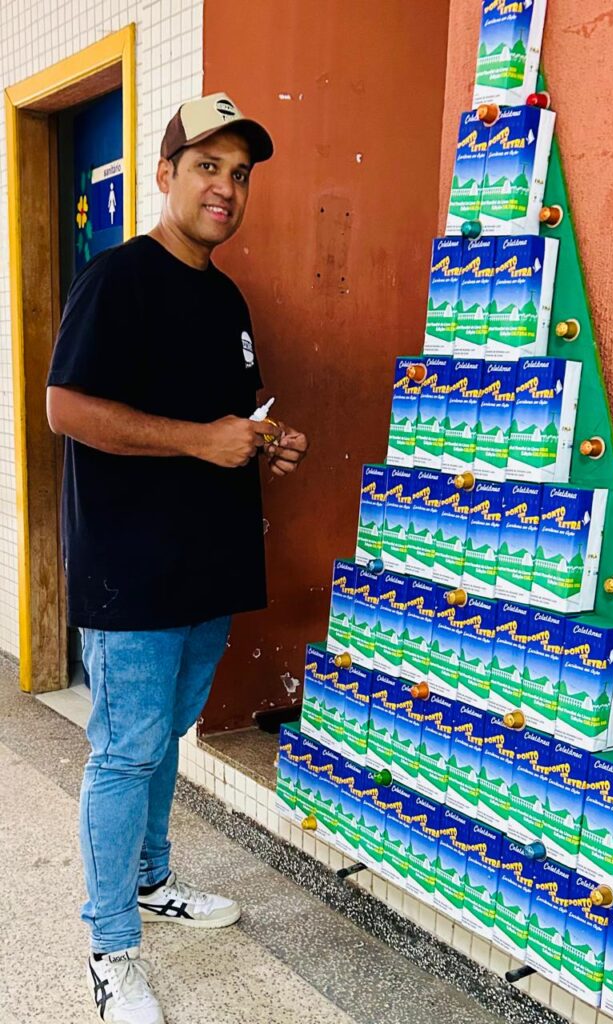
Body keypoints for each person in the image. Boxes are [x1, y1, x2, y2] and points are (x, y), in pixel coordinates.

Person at [46, 92, 308, 1024]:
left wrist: (265, 442)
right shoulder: (117, 279)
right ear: (165, 175)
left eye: (239, 174)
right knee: (126, 750)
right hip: (132, 569)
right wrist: (202, 441)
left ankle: (152, 880)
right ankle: (110, 948)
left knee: (164, 737)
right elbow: (66, 409)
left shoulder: (226, 297)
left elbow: (229, 416)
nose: (225, 188)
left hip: (208, 565)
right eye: (206, 167)